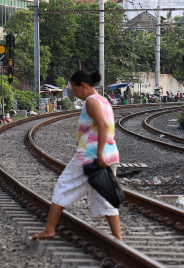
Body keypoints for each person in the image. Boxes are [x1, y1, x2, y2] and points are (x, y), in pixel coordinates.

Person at [33, 70, 122, 241]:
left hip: (91, 155)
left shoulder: (91, 101)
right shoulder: (104, 101)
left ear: (83, 85)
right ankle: (118, 239)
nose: (76, 94)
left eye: (75, 89)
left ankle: (50, 229)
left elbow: (103, 126)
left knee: (63, 186)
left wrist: (98, 155)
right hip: (111, 154)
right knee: (105, 196)